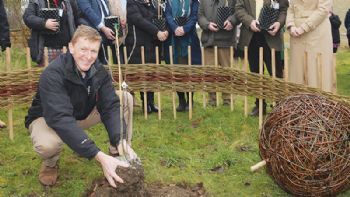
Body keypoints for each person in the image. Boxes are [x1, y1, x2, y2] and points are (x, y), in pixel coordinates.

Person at [24, 25, 136, 187]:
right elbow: (60, 118)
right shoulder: (53, 74)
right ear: (71, 47)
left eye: (93, 51)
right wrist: (98, 155)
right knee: (48, 145)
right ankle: (50, 163)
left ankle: (118, 150)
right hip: (48, 118)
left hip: (81, 114)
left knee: (124, 99)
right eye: (83, 49)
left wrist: (120, 139)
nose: (88, 56)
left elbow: (110, 106)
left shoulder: (99, 71)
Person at [235, 0, 288, 116]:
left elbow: (284, 9)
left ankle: (279, 105)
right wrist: (250, 22)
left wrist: (279, 23)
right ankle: (259, 105)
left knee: (276, 73)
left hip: (271, 37)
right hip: (251, 37)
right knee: (255, 74)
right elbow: (239, 8)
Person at [125, 0, 169, 113]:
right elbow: (139, 20)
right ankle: (144, 104)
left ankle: (151, 102)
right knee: (142, 75)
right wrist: (157, 32)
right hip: (138, 46)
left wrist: (164, 30)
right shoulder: (131, 3)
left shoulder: (152, 4)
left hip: (152, 45)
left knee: (151, 74)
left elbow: (159, 17)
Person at [198, 0, 239, 106]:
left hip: (226, 40)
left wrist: (232, 21)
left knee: (227, 71)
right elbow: (200, 15)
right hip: (208, 40)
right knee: (209, 71)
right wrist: (207, 24)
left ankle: (227, 100)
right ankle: (212, 100)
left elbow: (238, 12)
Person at [286, 0, 333, 92]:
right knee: (297, 72)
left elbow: (323, 10)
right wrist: (291, 25)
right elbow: (290, 9)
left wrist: (303, 28)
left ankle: (318, 104)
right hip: (296, 36)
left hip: (317, 34)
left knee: (316, 72)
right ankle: (297, 104)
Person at [164, 0, 201, 112]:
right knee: (176, 71)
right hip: (174, 41)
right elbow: (168, 15)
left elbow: (194, 16)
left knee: (190, 71)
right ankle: (181, 100)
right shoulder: (169, 1)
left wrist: (184, 29)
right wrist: (175, 28)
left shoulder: (193, 1)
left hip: (190, 40)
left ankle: (190, 99)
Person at [23, 0, 82, 65]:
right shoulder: (36, 2)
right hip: (47, 50)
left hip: (67, 49)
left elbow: (78, 20)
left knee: (68, 74)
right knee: (50, 74)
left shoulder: (69, 2)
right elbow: (28, 18)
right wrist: (44, 23)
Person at [77, 0, 123, 64]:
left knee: (108, 62)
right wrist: (103, 28)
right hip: (92, 35)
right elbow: (88, 11)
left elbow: (106, 12)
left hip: (106, 33)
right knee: (96, 64)